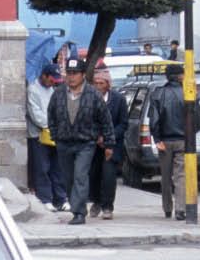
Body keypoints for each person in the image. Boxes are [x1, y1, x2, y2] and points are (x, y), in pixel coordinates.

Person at [47, 56, 110, 225]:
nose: (72, 77)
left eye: (75, 73)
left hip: (85, 143)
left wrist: (109, 143)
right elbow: (51, 116)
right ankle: (76, 205)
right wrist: (55, 135)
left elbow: (105, 119)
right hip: (64, 142)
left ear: (83, 75)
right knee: (68, 178)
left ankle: (79, 212)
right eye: (69, 73)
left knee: (80, 176)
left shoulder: (93, 95)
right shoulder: (58, 93)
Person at [146, 62, 196, 219]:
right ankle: (181, 209)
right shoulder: (188, 92)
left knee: (165, 176)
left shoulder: (158, 93)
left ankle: (167, 208)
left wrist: (157, 138)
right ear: (181, 76)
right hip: (183, 140)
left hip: (165, 141)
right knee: (180, 175)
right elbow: (198, 118)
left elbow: (153, 119)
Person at [87, 65, 128, 220]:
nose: (98, 87)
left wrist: (108, 138)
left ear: (108, 85)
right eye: (95, 83)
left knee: (109, 176)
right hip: (94, 144)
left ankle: (107, 206)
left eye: (101, 83)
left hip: (112, 145)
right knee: (94, 175)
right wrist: (96, 137)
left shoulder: (118, 99)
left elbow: (123, 123)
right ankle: (96, 202)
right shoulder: (89, 99)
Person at [27, 63, 66, 211]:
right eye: (51, 79)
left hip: (53, 134)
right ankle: (45, 198)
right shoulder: (32, 90)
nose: (53, 82)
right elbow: (36, 114)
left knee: (57, 167)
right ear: (44, 75)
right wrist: (51, 123)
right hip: (38, 134)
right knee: (42, 167)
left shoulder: (52, 90)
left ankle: (60, 198)